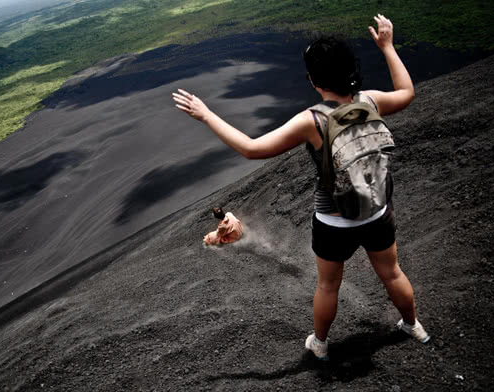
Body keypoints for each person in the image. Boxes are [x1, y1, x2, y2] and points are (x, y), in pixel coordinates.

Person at [173, 14, 429, 360]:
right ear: (352, 71)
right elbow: (407, 92)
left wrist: (206, 115)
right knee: (391, 272)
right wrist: (387, 47)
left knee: (327, 285)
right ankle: (413, 326)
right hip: (377, 209)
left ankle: (320, 344)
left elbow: (251, 149)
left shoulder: (312, 120)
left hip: (334, 220)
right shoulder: (370, 101)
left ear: (313, 80)